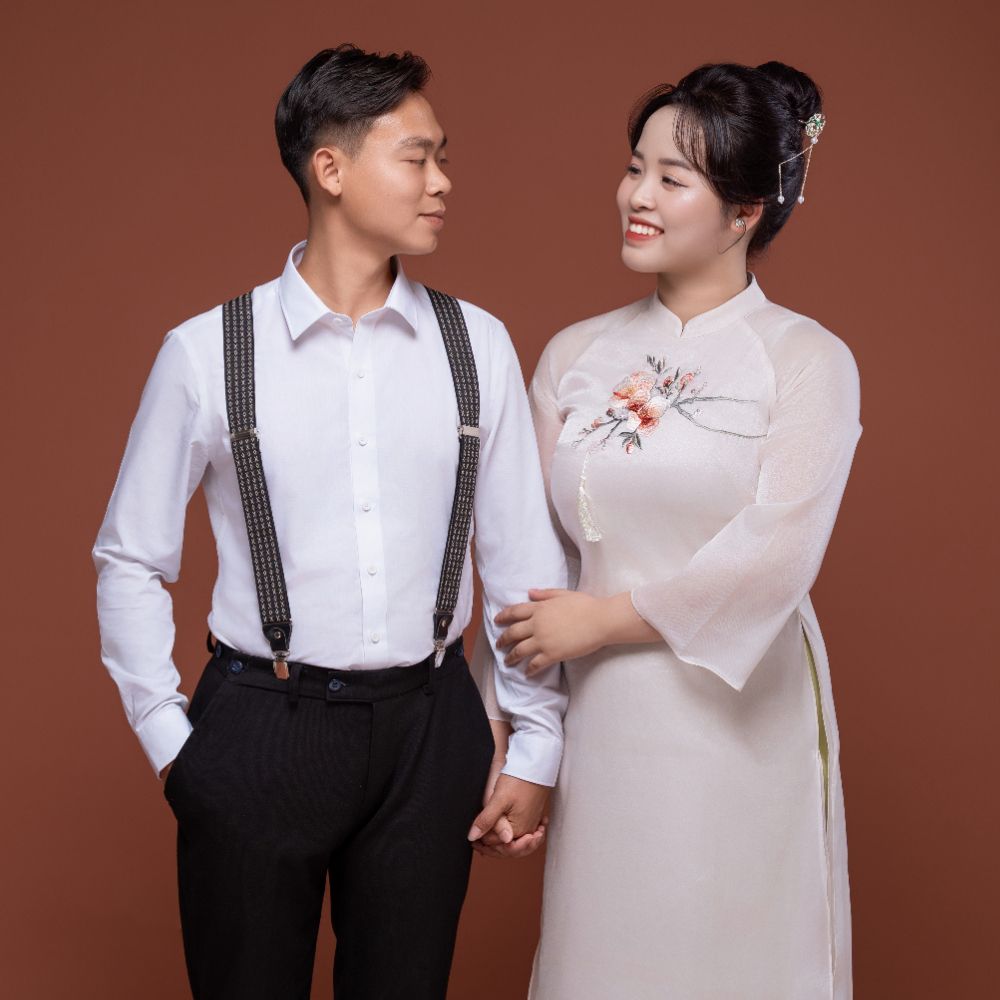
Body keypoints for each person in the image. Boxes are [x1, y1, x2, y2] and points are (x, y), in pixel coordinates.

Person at [92, 44, 559, 1000]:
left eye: (443, 158)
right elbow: (128, 558)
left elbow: (522, 567)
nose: (443, 181)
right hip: (260, 725)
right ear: (331, 169)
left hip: (431, 731)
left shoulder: (477, 345)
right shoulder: (206, 353)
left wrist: (535, 741)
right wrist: (174, 747)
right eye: (417, 157)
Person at [473, 62, 862, 998]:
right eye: (634, 168)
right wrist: (510, 734)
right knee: (605, 953)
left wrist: (602, 621)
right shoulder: (576, 353)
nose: (637, 197)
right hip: (606, 721)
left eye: (671, 179)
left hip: (742, 713)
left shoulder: (805, 359)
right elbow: (525, 554)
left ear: (745, 212)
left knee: (732, 953)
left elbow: (777, 555)